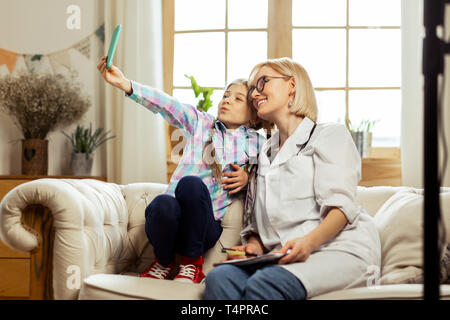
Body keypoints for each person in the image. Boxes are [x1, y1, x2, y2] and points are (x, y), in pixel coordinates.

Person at [203, 57, 381, 299]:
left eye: (262, 82)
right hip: (285, 257)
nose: (255, 93)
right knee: (220, 278)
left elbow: (341, 207)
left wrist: (307, 243)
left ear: (292, 86)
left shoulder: (329, 135)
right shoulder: (263, 152)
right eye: (253, 88)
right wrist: (254, 247)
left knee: (265, 284)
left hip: (338, 250)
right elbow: (259, 223)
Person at [97, 56, 267, 284]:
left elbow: (271, 174)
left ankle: (191, 264)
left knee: (191, 185)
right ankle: (163, 262)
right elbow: (167, 104)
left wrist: (248, 177)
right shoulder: (201, 123)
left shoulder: (256, 142)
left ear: (253, 115)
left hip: (203, 228)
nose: (227, 100)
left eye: (237, 98)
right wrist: (127, 85)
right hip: (169, 223)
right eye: (226, 95)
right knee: (162, 203)